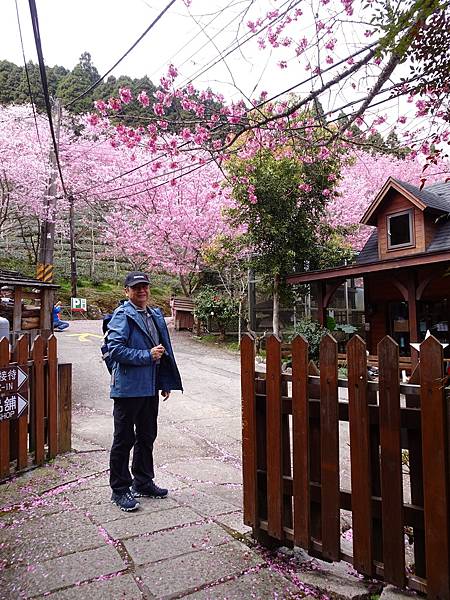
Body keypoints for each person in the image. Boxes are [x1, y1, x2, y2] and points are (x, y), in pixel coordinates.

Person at [107, 271, 183, 512]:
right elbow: (115, 350)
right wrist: (146, 356)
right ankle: (119, 489)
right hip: (128, 389)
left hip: (149, 387)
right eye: (136, 287)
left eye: (144, 287)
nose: (141, 291)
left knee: (147, 435)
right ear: (126, 291)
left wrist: (165, 382)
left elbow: (164, 350)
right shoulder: (123, 315)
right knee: (124, 439)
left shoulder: (154, 314)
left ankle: (143, 481)